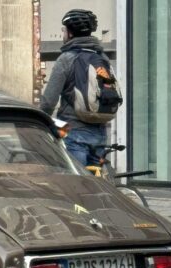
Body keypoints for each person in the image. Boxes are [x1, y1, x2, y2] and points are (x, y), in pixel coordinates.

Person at [39, 9, 111, 166]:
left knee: (77, 185)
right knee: (97, 184)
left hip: (74, 132)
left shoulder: (66, 59)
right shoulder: (101, 58)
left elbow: (49, 101)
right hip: (100, 133)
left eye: (64, 30)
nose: (63, 34)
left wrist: (39, 121)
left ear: (70, 33)